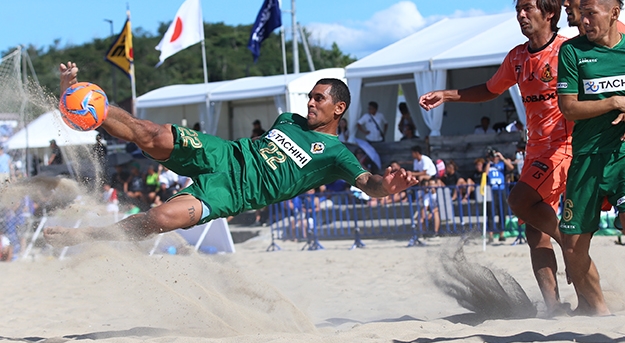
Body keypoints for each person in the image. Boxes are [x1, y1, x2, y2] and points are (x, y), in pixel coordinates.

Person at [45, 63, 418, 246]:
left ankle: (91, 238)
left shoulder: (337, 153)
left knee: (161, 216)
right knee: (151, 133)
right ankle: (79, 101)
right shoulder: (289, 119)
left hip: (232, 194)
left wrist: (389, 185)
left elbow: (369, 184)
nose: (310, 102)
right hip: (223, 154)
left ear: (339, 108)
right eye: (310, 95)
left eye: (318, 98)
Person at [420, 0, 577, 314]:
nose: (520, 15)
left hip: (564, 145)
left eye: (527, 8)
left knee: (518, 200)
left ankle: (571, 243)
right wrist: (446, 94)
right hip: (535, 149)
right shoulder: (518, 57)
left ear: (550, 13)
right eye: (517, 9)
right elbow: (490, 89)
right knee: (535, 232)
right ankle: (555, 306)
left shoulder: (568, 51)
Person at [557, 0, 625, 318]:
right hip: (587, 156)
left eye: (592, 13)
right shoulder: (573, 51)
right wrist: (616, 102)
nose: (584, 21)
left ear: (615, 12)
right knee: (573, 246)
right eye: (582, 13)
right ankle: (599, 311)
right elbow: (569, 107)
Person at [485, 149, 514, 242]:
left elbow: (511, 167)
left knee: (502, 211)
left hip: (501, 190)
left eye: (496, 156)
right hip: (491, 190)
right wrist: (489, 161)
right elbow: (485, 173)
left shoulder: (502, 165)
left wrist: (502, 158)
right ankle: (491, 234)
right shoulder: (489, 165)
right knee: (491, 212)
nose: (495, 158)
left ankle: (501, 233)